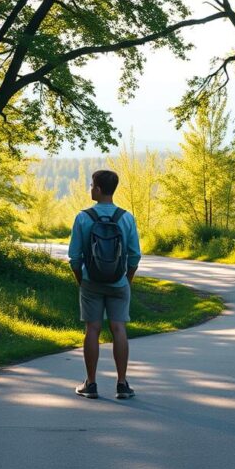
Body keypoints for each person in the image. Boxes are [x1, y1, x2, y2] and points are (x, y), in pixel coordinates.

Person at [68, 169, 141, 400]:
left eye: (92, 185)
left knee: (92, 329)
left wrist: (82, 281)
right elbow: (134, 256)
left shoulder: (83, 217)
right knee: (119, 328)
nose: (91, 189)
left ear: (98, 189)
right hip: (119, 282)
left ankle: (90, 384)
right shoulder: (126, 217)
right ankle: (122, 384)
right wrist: (126, 281)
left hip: (91, 282)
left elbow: (75, 258)